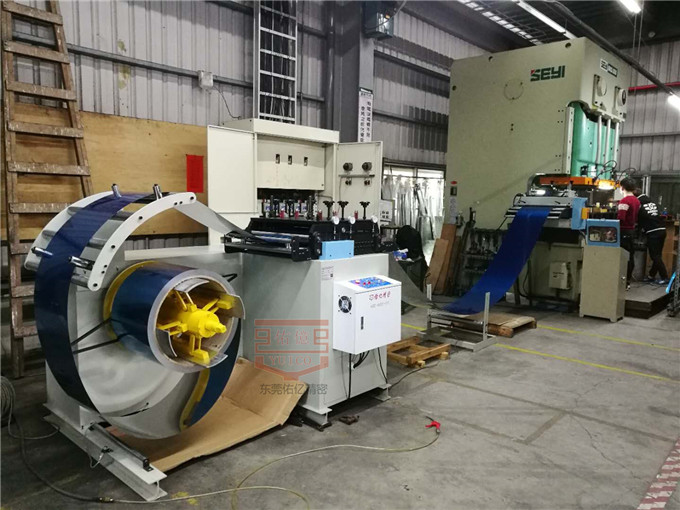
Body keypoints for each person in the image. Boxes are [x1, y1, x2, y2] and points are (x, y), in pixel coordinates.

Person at [634, 188, 669, 284]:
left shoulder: (639, 205)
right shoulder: (653, 203)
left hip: (653, 232)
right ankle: (651, 276)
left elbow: (638, 221)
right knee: (657, 255)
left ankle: (664, 277)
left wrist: (638, 231)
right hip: (662, 230)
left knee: (655, 256)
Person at [617, 178, 640, 289]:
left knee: (621, 257)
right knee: (629, 256)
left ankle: (621, 282)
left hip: (622, 231)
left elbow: (621, 218)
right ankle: (627, 281)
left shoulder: (624, 201)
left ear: (622, 187)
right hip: (631, 231)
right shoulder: (636, 201)